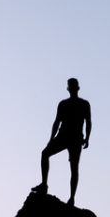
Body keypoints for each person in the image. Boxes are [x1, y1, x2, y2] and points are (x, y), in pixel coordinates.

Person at [31, 77, 92, 206]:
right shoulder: (65, 104)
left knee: (73, 168)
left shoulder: (83, 104)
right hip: (65, 136)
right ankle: (45, 185)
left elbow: (88, 122)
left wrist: (87, 138)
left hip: (74, 138)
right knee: (45, 154)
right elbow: (57, 122)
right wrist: (51, 139)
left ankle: (71, 197)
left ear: (73, 88)